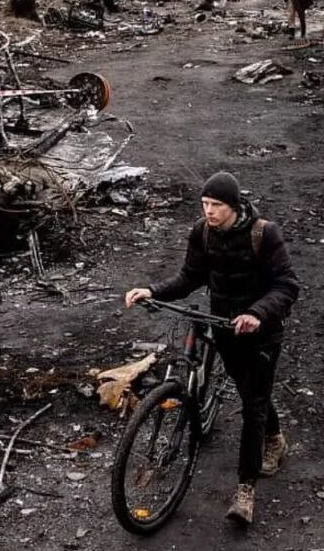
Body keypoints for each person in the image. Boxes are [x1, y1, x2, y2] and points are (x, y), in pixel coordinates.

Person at [125, 172, 299, 525]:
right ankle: (276, 437)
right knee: (251, 391)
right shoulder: (202, 232)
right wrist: (153, 291)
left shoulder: (265, 234)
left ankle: (245, 490)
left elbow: (287, 286)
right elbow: (190, 277)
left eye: (216, 205)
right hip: (224, 328)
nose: (209, 211)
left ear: (234, 206)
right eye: (204, 204)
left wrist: (256, 313)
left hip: (262, 333)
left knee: (252, 406)